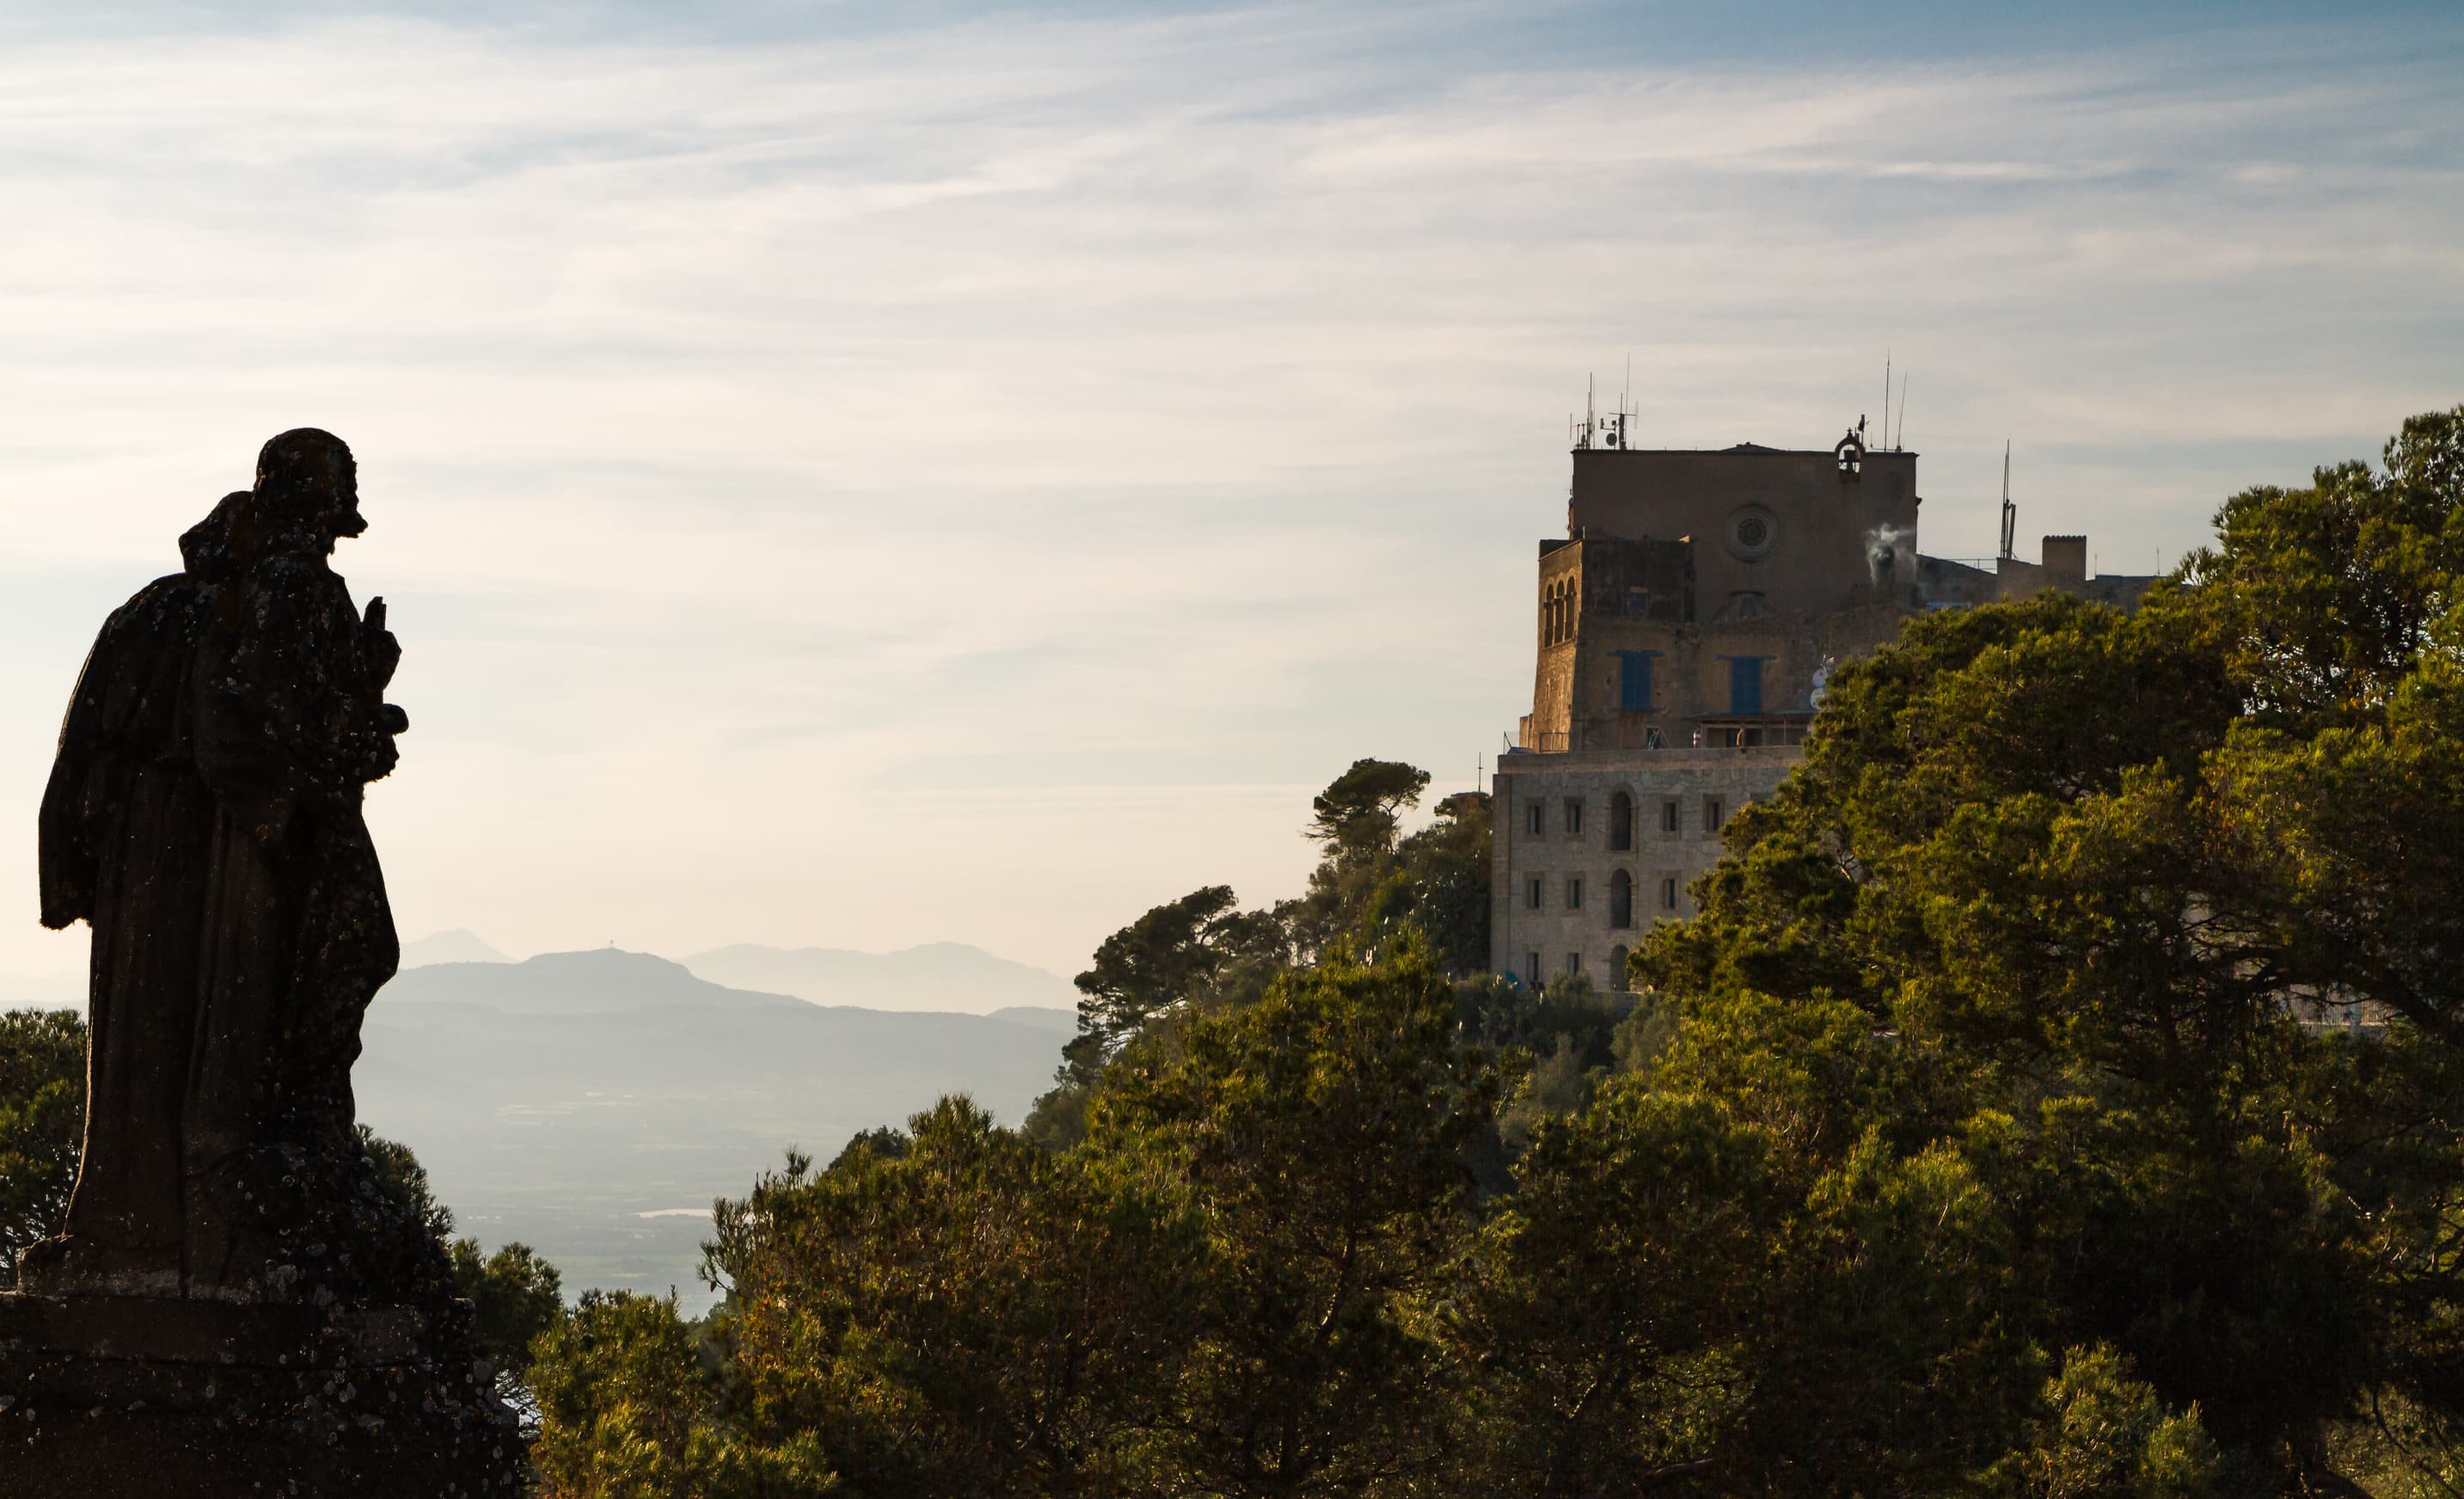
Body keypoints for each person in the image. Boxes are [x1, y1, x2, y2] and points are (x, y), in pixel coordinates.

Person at [28, 429, 409, 1301]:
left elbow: (100, 752)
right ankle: (176, 1237)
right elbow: (242, 731)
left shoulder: (167, 607)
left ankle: (139, 1236)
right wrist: (334, 756)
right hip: (205, 847)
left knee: (158, 1037)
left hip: (158, 849)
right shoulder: (253, 601)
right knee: (210, 1029)